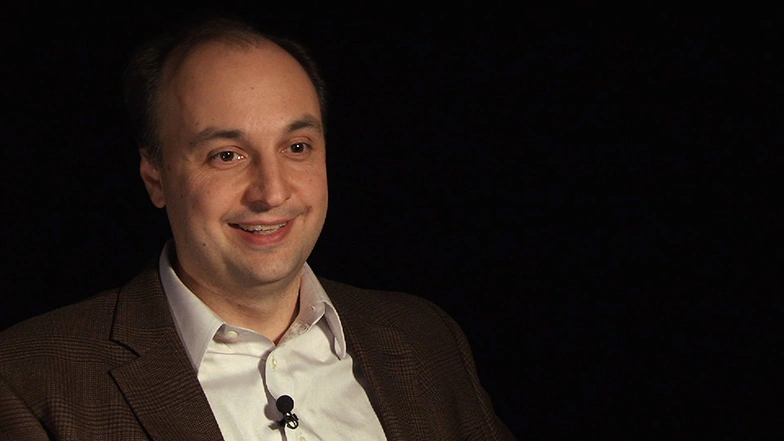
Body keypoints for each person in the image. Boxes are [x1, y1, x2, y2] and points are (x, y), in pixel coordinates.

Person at [0, 15, 516, 441]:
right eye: (227, 155)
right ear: (155, 177)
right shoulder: (29, 379)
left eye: (297, 148)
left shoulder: (424, 338)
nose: (271, 192)